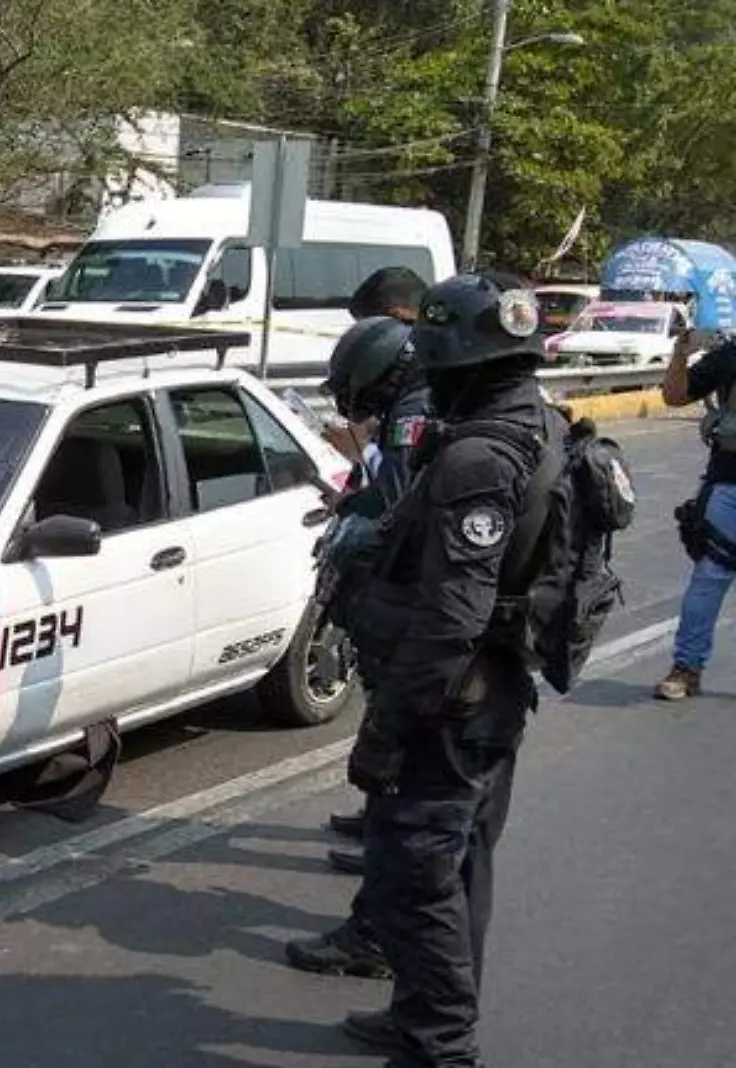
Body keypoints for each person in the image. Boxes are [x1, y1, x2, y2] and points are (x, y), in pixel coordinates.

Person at [337, 271, 552, 1066]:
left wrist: (387, 730)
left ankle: (439, 1048)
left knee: (414, 878)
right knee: (456, 864)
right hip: (492, 688)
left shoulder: (476, 459)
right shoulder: (540, 424)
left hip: (450, 703)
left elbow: (451, 616)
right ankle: (419, 1018)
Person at [283, 312, 433, 989]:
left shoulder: (414, 417)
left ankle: (375, 935)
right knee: (408, 809)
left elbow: (398, 510)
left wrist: (360, 507)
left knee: (408, 798)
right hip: (425, 640)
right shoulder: (425, 409)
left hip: (417, 642)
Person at [321, 267, 435, 873]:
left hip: (415, 594)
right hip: (404, 592)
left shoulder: (421, 400)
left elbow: (395, 493)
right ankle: (379, 821)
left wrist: (357, 461)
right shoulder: (411, 393)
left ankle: (388, 847)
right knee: (385, 710)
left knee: (400, 722)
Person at [654, 323, 736, 699]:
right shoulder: (730, 355)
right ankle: (686, 667)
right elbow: (674, 396)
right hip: (729, 480)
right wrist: (680, 353)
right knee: (710, 575)